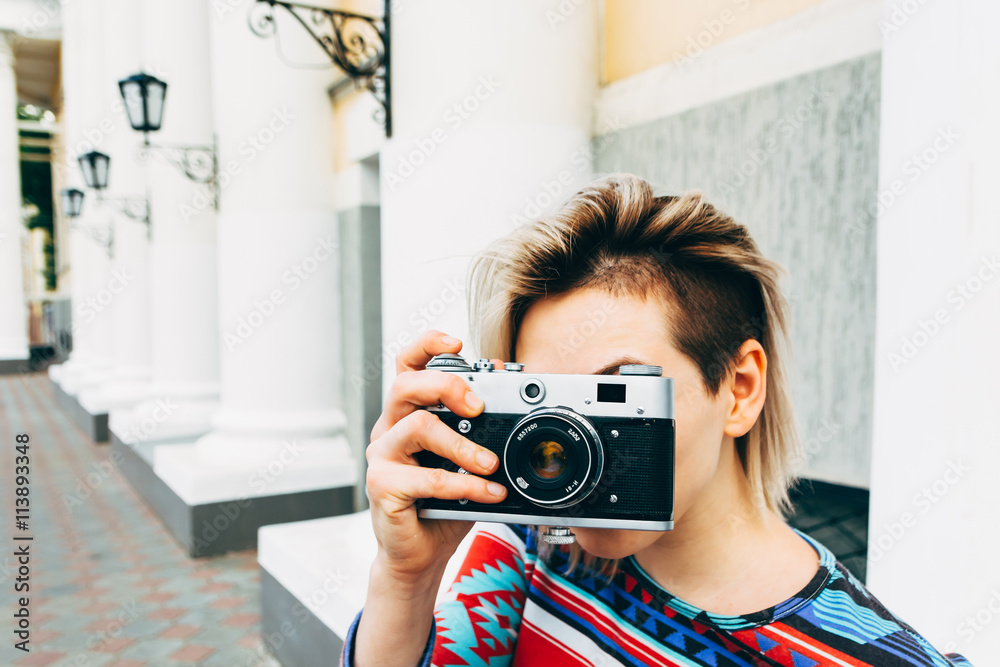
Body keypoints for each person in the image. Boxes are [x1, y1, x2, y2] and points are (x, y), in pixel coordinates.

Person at [344, 174, 972, 666]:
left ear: (740, 389)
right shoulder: (528, 545)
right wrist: (406, 578)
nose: (562, 447)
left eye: (616, 392)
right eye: (545, 404)